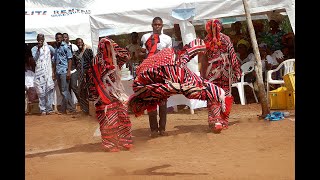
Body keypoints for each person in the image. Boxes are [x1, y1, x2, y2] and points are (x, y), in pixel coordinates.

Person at [128, 38, 232, 133]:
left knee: (207, 91)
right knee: (210, 91)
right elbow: (184, 55)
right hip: (175, 76)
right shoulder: (164, 55)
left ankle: (216, 119)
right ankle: (216, 120)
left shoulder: (144, 69)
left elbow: (149, 88)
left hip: (171, 77)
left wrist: (174, 87)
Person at [87, 36, 133, 152]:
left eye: (109, 47)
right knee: (108, 119)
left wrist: (114, 46)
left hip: (116, 92)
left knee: (123, 116)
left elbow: (126, 56)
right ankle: (110, 144)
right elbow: (93, 81)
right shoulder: (96, 61)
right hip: (102, 94)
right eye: (105, 47)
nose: (107, 49)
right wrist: (94, 97)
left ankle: (124, 141)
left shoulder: (116, 59)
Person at [198, 19, 241, 130]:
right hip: (212, 73)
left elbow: (232, 54)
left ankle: (221, 120)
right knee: (215, 95)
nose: (214, 29)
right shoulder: (207, 41)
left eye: (215, 27)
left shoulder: (224, 39)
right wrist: (202, 75)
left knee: (223, 95)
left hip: (223, 71)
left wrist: (236, 70)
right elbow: (203, 59)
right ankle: (217, 120)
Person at [140, 17, 172, 138]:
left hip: (162, 72)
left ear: (162, 25)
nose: (157, 26)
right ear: (152, 25)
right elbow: (141, 52)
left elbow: (170, 56)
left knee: (163, 101)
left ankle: (162, 128)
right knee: (150, 100)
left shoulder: (168, 39)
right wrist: (146, 53)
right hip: (149, 72)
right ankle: (153, 129)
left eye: (159, 24)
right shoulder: (145, 37)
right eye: (155, 24)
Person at [31, 34, 56, 115]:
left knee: (49, 90)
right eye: (39, 39)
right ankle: (42, 109)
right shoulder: (34, 48)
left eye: (42, 39)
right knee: (41, 91)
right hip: (39, 72)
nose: (40, 40)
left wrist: (51, 62)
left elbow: (55, 55)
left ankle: (49, 109)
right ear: (37, 39)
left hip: (48, 72)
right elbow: (35, 58)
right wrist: (38, 48)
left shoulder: (49, 47)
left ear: (44, 39)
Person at [53, 32, 75, 114]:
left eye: (59, 38)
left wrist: (68, 71)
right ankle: (70, 108)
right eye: (56, 38)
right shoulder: (56, 48)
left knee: (64, 90)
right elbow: (54, 61)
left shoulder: (66, 46)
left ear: (62, 38)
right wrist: (54, 72)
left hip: (64, 71)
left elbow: (70, 59)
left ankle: (65, 109)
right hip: (58, 71)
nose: (58, 39)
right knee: (64, 91)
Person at [73, 38, 94, 114]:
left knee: (90, 90)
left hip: (88, 72)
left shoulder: (88, 51)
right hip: (81, 74)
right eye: (77, 43)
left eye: (80, 42)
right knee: (82, 91)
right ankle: (85, 109)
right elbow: (76, 62)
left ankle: (91, 109)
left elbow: (92, 61)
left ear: (83, 42)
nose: (79, 44)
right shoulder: (76, 53)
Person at [63, 33, 79, 112]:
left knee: (74, 87)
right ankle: (71, 107)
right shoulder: (61, 47)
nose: (64, 39)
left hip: (73, 70)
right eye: (63, 38)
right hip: (65, 71)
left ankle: (82, 103)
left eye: (66, 37)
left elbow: (78, 59)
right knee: (67, 89)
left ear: (68, 38)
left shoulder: (74, 47)